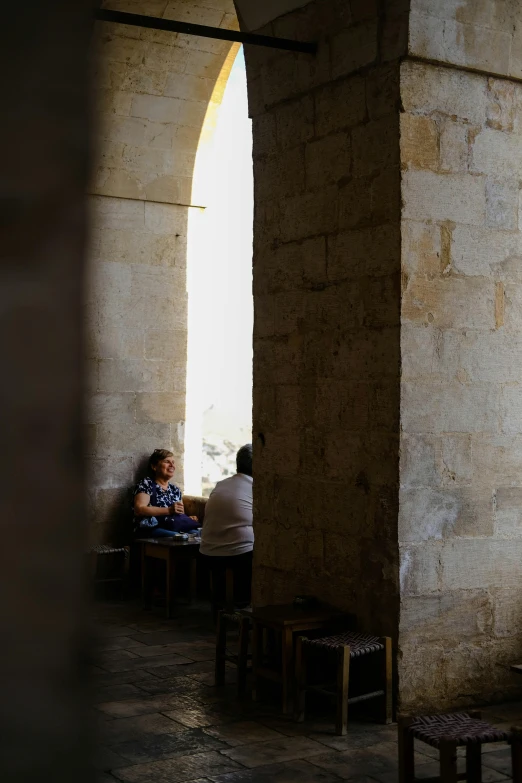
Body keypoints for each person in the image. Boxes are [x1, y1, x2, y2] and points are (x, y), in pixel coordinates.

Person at [199, 444, 253, 605]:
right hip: (238, 555)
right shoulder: (255, 487)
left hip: (207, 552)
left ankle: (220, 610)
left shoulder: (222, 484)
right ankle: (246, 608)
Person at [133, 449, 199, 536]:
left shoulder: (175, 489)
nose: (172, 465)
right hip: (152, 528)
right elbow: (139, 509)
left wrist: (187, 519)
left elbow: (179, 513)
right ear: (154, 466)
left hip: (172, 526)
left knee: (198, 534)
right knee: (178, 537)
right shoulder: (146, 484)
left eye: (173, 462)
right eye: (167, 461)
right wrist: (169, 510)